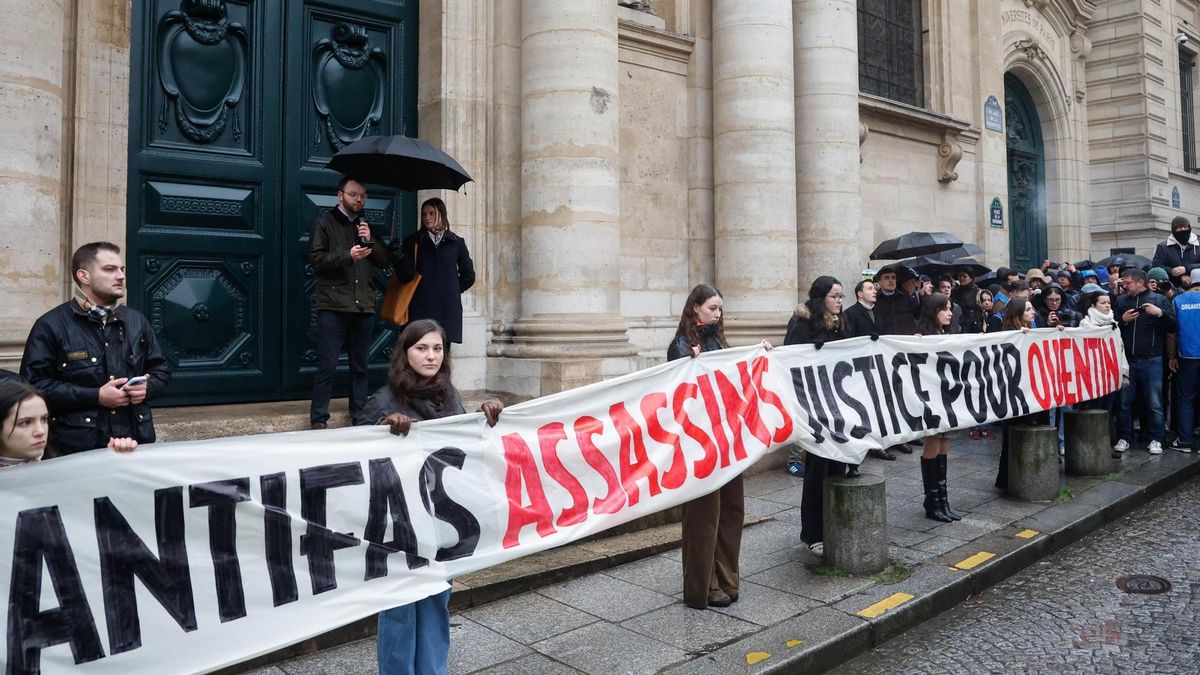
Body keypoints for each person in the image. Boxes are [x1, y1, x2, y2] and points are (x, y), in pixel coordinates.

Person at [357, 319, 501, 675]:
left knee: (437, 599)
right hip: (399, 525)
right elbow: (356, 459)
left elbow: (465, 446)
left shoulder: (448, 394)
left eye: (438, 348)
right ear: (405, 353)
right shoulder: (383, 399)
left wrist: (488, 415)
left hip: (440, 520)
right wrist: (381, 430)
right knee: (399, 607)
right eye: (422, 348)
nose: (431, 356)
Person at [20, 242, 170, 456]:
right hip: (76, 450)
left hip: (135, 445)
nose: (121, 276)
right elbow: (32, 387)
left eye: (122, 269)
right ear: (84, 276)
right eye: (110, 269)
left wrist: (148, 387)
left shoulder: (137, 321)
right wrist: (95, 396)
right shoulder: (50, 325)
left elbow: (161, 371)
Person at [668, 284, 756, 609]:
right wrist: (685, 360)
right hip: (698, 443)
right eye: (712, 308)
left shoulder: (718, 341)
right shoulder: (680, 345)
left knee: (732, 510)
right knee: (703, 518)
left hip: (726, 438)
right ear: (695, 309)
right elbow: (674, 390)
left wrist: (756, 354)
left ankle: (726, 578)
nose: (718, 314)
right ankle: (702, 587)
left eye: (720, 309)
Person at [308, 176, 390, 429]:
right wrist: (348, 256)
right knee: (328, 366)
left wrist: (372, 240)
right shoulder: (323, 223)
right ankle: (319, 419)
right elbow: (316, 259)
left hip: (363, 305)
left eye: (363, 196)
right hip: (333, 305)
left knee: (361, 368)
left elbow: (383, 261)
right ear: (340, 195)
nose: (359, 200)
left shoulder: (366, 225)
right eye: (354, 194)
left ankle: (360, 416)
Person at [785, 277, 855, 553]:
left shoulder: (842, 322)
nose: (839, 301)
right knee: (817, 469)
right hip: (814, 405)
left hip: (838, 404)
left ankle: (834, 525)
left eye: (841, 296)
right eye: (834, 296)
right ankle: (812, 533)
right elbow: (791, 358)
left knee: (838, 465)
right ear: (820, 298)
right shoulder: (802, 323)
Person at [391, 198, 477, 350]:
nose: (427, 218)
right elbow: (406, 276)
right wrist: (398, 258)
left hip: (446, 310)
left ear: (442, 214)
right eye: (424, 214)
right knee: (416, 355)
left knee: (441, 358)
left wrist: (451, 288)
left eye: (432, 213)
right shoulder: (413, 242)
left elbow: (469, 276)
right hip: (419, 308)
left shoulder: (456, 243)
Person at [1113, 268, 1176, 455]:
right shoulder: (1121, 301)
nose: (1124, 286)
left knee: (1154, 402)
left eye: (1128, 283)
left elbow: (1172, 326)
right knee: (1124, 402)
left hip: (1152, 358)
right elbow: (1111, 327)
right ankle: (1124, 437)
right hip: (1127, 359)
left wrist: (1160, 314)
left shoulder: (1159, 300)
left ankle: (1156, 438)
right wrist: (1122, 320)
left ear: (1140, 282)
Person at [0, 381, 137, 466]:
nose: (40, 431)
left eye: (44, 420)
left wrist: (116, 462)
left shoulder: (65, 467)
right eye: (25, 423)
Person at [994, 298, 1054, 490]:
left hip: (1035, 390)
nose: (1033, 312)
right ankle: (1009, 477)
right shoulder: (1008, 335)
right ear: (1018, 313)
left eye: (1032, 308)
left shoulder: (1034, 331)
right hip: (1016, 394)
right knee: (1014, 434)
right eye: (1028, 309)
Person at [914, 293, 959, 522]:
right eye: (944, 309)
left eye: (950, 308)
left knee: (944, 443)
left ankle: (942, 499)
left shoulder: (945, 334)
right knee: (933, 443)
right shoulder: (920, 337)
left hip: (946, 398)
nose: (949, 313)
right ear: (933, 311)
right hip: (931, 400)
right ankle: (932, 500)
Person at [842, 280, 894, 462]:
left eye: (874, 289)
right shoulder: (850, 314)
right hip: (859, 370)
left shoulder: (877, 312)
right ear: (859, 294)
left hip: (876, 367)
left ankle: (878, 443)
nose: (874, 291)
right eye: (869, 289)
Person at [1168, 269, 1200, 452]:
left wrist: (1172, 356)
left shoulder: (1178, 300)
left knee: (1186, 399)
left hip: (1187, 355)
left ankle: (1185, 441)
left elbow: (1172, 332)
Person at [1151, 216, 1200, 289]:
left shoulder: (1198, 246)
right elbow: (1157, 265)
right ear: (1173, 230)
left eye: (1185, 226)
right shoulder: (1163, 247)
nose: (1183, 229)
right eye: (1179, 227)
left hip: (1196, 287)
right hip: (1173, 288)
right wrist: (1177, 273)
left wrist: (1186, 269)